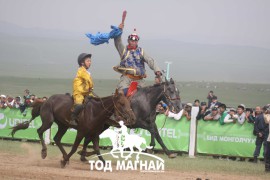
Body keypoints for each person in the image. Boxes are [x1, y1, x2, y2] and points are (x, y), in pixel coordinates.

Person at [113, 23, 162, 94]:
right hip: (127, 79)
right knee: (121, 95)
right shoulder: (123, 50)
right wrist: (119, 30)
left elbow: (149, 60)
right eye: (132, 41)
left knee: (147, 96)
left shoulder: (141, 51)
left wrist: (157, 70)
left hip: (140, 80)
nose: (133, 42)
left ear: (137, 42)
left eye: (135, 41)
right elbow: (118, 42)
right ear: (128, 41)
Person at [70, 53, 94, 126]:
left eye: (90, 61)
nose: (90, 62)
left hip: (86, 92)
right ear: (82, 63)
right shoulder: (81, 70)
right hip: (79, 93)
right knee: (79, 105)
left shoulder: (87, 72)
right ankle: (72, 119)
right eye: (88, 61)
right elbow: (88, 80)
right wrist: (91, 87)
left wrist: (90, 90)